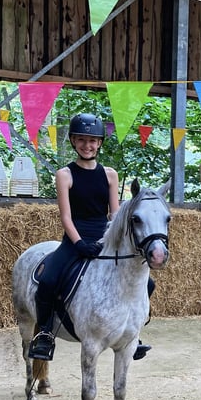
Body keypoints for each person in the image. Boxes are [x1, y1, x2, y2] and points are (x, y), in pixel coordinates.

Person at [28, 113, 152, 361]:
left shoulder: (109, 174)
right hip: (75, 240)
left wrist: (113, 241)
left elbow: (115, 214)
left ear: (100, 143)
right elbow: (66, 217)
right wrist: (79, 243)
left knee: (148, 283)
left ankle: (131, 331)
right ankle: (43, 333)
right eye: (82, 140)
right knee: (49, 280)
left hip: (104, 239)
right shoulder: (65, 174)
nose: (88, 145)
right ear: (73, 141)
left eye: (93, 140)